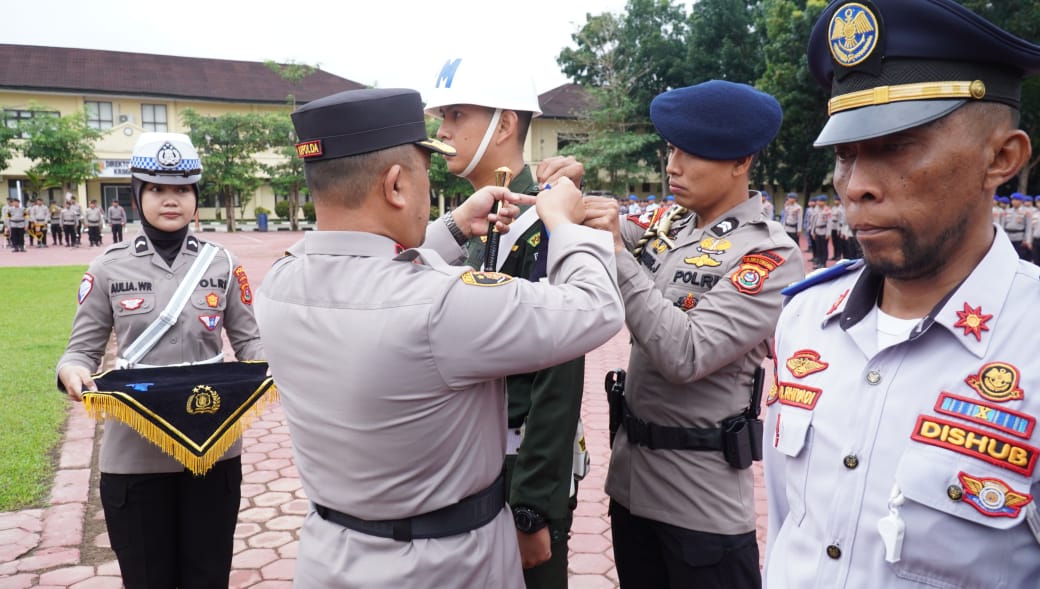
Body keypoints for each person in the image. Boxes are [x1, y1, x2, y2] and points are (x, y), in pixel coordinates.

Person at [254, 87, 624, 589]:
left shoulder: (280, 283)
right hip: (446, 564)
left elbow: (366, 259)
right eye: (424, 175)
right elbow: (596, 307)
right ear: (396, 185)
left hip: (330, 553)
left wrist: (454, 225)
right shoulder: (440, 305)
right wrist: (563, 222)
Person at [764, 1, 1040, 587]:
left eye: (896, 146)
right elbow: (788, 526)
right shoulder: (805, 319)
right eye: (845, 155)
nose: (856, 186)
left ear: (1002, 158)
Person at [582, 79, 805, 588]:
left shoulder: (769, 254)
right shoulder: (671, 223)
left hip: (700, 508)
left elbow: (686, 353)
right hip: (632, 489)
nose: (672, 165)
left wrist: (616, 252)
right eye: (671, 149)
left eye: (691, 152)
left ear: (741, 161)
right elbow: (599, 223)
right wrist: (561, 193)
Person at [56, 132, 263, 588]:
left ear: (195, 197)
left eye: (183, 189)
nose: (171, 199)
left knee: (208, 576)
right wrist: (72, 371)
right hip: (135, 454)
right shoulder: (107, 267)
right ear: (137, 195)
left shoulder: (223, 264)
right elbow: (80, 351)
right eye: (156, 189)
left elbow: (252, 345)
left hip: (212, 447)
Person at [424, 57, 592, 588]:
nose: (442, 131)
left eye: (455, 115)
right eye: (441, 116)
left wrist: (533, 506)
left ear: (504, 125)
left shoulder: (543, 221)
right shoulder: (477, 216)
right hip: (469, 462)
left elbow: (558, 370)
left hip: (520, 466)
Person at [1003, 192, 1032, 260]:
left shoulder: (1026, 212)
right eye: (1013, 200)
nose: (1014, 201)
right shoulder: (1008, 211)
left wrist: (1027, 240)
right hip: (1008, 237)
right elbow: (1003, 225)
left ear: (1021, 201)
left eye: (1016, 200)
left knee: (1018, 257)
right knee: (1007, 257)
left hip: (1019, 238)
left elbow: (1028, 227)